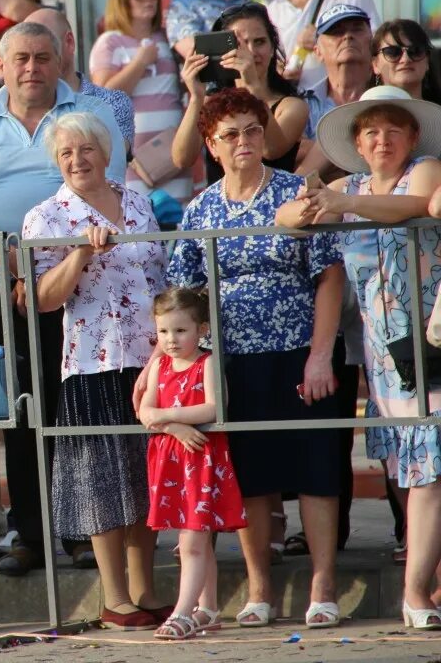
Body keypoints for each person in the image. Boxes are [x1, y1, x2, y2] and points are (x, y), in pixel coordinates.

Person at [0, 22, 126, 578]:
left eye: (43, 57)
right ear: (0, 65)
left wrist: (46, 260)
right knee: (23, 412)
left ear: (61, 58)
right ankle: (30, 528)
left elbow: (103, 189)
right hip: (5, 284)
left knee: (75, 407)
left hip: (83, 284)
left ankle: (79, 528)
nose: (32, 67)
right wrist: (9, 260)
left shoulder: (92, 114)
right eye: (20, 57)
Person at [168, 87, 344, 630]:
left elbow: (329, 276)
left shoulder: (297, 192)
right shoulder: (200, 208)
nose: (242, 141)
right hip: (234, 360)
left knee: (315, 468)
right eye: (229, 134)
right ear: (211, 145)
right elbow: (183, 290)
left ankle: (323, 583)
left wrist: (319, 356)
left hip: (299, 352)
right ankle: (260, 586)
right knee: (251, 475)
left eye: (251, 129)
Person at [279, 86, 441, 629]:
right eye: (371, 130)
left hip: (430, 339)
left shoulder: (424, 168)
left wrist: (342, 203)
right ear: (356, 141)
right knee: (410, 469)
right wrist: (311, 202)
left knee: (430, 471)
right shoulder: (346, 185)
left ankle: (415, 594)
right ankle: (424, 585)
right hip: (382, 351)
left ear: (411, 135)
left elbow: (416, 206)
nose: (382, 139)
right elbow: (286, 217)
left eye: (393, 129)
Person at [24, 111, 167, 629]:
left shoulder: (137, 201)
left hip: (150, 357)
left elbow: (158, 272)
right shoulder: (45, 217)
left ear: (105, 153)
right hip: (92, 360)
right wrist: (81, 253)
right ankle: (114, 597)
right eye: (65, 153)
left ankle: (145, 588)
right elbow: (41, 299)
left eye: (85, 150)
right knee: (104, 480)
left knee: (144, 477)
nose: (76, 160)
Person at [139, 288, 246, 640]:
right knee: (191, 539)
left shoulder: (208, 362)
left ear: (201, 329)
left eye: (180, 331)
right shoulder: (159, 365)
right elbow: (145, 411)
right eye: (163, 332)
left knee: (193, 542)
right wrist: (174, 426)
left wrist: (167, 416)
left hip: (200, 461)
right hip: (171, 462)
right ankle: (209, 608)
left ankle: (183, 612)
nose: (171, 340)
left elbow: (215, 407)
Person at [173, 2, 308, 182]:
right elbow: (182, 159)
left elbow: (270, 150)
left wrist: (252, 84)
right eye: (239, 44)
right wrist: (196, 97)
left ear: (272, 48)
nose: (250, 52)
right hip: (222, 207)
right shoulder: (211, 102)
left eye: (259, 42)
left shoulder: (292, 106)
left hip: (276, 207)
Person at [89, 0, 193, 202]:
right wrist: (140, 62)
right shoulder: (109, 42)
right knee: (138, 222)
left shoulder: (167, 38)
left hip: (172, 154)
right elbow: (104, 95)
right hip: (133, 160)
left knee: (178, 222)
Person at [27, 8, 137, 149]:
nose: (32, 64)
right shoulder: (16, 110)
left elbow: (112, 161)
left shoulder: (111, 103)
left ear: (69, 42)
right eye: (23, 55)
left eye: (45, 46)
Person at [295, 5, 377, 176]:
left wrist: (320, 151)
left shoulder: (388, 96)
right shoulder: (302, 103)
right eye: (336, 32)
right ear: (317, 51)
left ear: (372, 41)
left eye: (357, 29)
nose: (348, 36)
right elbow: (293, 152)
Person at [372, 20, 441, 104]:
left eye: (416, 51)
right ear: (375, 64)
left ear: (427, 61)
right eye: (393, 52)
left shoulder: (437, 114)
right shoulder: (363, 114)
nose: (405, 59)